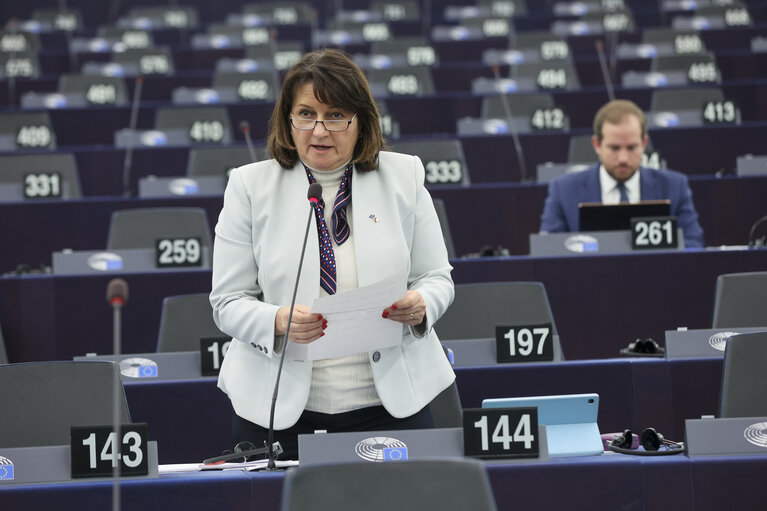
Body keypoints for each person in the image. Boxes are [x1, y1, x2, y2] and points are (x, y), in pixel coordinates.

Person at [209, 48, 455, 460]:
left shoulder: (404, 175)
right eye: (306, 114)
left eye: (336, 115)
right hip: (278, 407)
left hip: (392, 405)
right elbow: (226, 302)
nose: (320, 130)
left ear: (362, 122)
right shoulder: (249, 187)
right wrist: (277, 320)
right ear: (288, 120)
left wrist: (421, 304)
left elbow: (437, 278)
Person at [539, 99, 704, 248]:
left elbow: (694, 244)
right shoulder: (563, 190)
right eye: (614, 148)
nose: (623, 158)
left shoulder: (674, 186)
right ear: (597, 144)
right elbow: (548, 250)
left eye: (632, 147)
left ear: (644, 143)